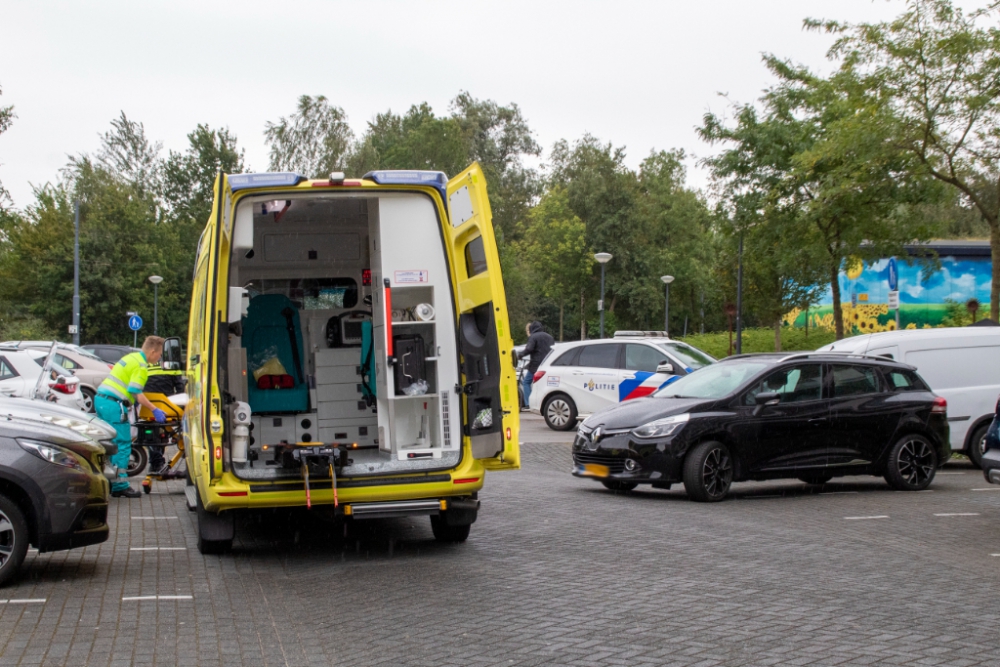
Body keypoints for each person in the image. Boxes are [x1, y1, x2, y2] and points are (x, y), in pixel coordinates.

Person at [94, 336, 167, 498]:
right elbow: (135, 391)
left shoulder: (130, 357)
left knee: (108, 444)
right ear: (153, 351)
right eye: (160, 354)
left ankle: (110, 480)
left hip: (101, 400)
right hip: (114, 405)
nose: (159, 357)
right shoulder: (141, 366)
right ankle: (120, 485)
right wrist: (154, 409)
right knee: (122, 443)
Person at [143, 360, 185, 476]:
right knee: (168, 432)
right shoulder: (172, 364)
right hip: (167, 408)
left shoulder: (144, 363)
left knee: (152, 435)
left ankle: (156, 464)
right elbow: (180, 387)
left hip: (147, 408)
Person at [522, 321, 554, 410]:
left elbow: (529, 349)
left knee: (526, 382)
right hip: (547, 364)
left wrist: (519, 355)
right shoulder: (549, 337)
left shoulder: (533, 337)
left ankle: (529, 404)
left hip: (536, 365)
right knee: (542, 384)